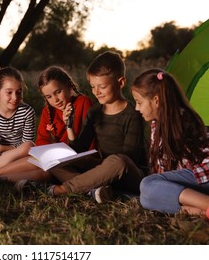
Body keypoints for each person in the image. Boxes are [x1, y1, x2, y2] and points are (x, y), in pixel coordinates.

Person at [47, 51, 147, 202]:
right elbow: (80, 149)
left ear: (120, 83)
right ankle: (96, 190)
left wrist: (99, 171)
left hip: (129, 173)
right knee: (54, 162)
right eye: (93, 86)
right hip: (104, 169)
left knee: (118, 161)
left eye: (102, 87)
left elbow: (129, 159)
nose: (96, 92)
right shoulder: (95, 111)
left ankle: (63, 189)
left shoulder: (133, 114)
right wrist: (69, 125)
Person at [0, 66, 94, 184]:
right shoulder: (48, 111)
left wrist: (68, 127)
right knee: (44, 171)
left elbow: (88, 141)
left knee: (39, 160)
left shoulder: (83, 103)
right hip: (54, 164)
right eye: (49, 97)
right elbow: (41, 142)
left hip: (79, 159)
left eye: (58, 92)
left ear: (68, 86)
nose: (55, 100)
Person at [131, 69, 209, 219]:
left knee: (148, 185)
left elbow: (165, 171)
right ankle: (199, 212)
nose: (136, 108)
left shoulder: (177, 121)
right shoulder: (158, 123)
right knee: (145, 198)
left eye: (139, 102)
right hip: (196, 180)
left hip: (204, 174)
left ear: (156, 100)